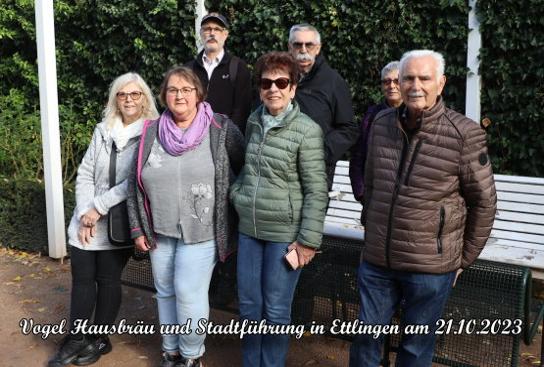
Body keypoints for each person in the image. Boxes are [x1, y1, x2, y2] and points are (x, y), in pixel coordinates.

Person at [348, 50, 497, 367]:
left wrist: (462, 259)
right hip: (377, 262)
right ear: (398, 83)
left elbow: (483, 202)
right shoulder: (380, 124)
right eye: (408, 78)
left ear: (440, 83)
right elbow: (372, 184)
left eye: (424, 78)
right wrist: (371, 233)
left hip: (429, 268)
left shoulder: (465, 135)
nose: (415, 85)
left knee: (415, 349)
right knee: (365, 340)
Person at [127, 66, 244, 367]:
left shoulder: (220, 128)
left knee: (188, 292)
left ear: (198, 95)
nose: (179, 95)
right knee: (165, 292)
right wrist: (138, 228)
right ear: (164, 96)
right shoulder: (151, 131)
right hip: (160, 230)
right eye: (172, 90)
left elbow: (244, 165)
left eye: (186, 89)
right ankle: (171, 352)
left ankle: (192, 356)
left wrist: (234, 206)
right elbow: (134, 183)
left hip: (202, 230)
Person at [48, 73, 159, 367]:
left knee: (108, 280)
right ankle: (76, 338)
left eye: (135, 94)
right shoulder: (102, 129)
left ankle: (99, 338)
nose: (129, 100)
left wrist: (99, 207)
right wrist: (86, 213)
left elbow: (134, 181)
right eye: (123, 94)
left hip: (119, 218)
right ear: (115, 99)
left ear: (144, 98)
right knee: (82, 279)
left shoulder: (152, 132)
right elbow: (85, 172)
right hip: (88, 217)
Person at [230, 51, 328, 367]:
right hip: (249, 231)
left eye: (281, 82)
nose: (274, 88)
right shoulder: (254, 121)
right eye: (266, 82)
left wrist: (308, 241)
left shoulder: (307, 130)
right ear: (259, 88)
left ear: (293, 88)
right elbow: (249, 169)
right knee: (248, 307)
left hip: (283, 237)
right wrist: (238, 194)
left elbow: (316, 190)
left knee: (275, 310)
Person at [288, 23, 358, 187]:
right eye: (298, 45)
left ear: (318, 48)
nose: (303, 50)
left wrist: (319, 152)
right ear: (289, 47)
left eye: (309, 45)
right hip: (279, 173)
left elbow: (349, 129)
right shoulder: (278, 79)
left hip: (315, 174)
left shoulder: (333, 82)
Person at [186, 12, 252, 133]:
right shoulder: (189, 69)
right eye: (207, 29)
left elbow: (242, 111)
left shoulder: (238, 67)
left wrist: (228, 138)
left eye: (217, 29)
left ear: (225, 34)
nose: (212, 33)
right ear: (201, 34)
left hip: (226, 139)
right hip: (193, 139)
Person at [349, 61, 402, 201]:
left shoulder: (414, 114)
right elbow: (358, 155)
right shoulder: (372, 115)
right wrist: (361, 193)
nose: (392, 86)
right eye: (386, 81)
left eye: (397, 81)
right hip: (374, 197)